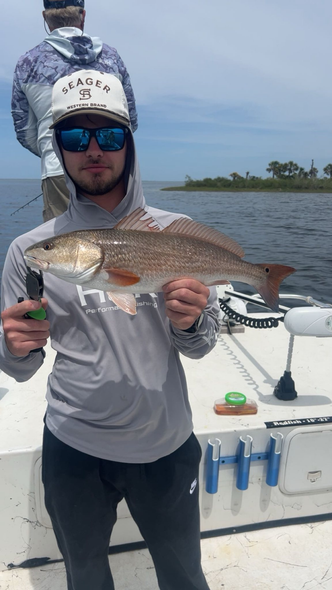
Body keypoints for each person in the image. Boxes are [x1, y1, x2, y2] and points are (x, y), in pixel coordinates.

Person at [1, 69, 220, 590]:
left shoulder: (176, 235)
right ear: (59, 147)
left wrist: (189, 320)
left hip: (165, 444)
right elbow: (21, 367)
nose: (93, 149)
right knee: (86, 577)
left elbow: (204, 343)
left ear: (129, 144)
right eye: (76, 136)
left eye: (109, 134)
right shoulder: (31, 250)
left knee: (185, 577)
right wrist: (13, 346)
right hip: (73, 448)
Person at [11, 0, 138, 223]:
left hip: (57, 167)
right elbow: (130, 120)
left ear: (45, 17)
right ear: (83, 16)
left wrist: (64, 150)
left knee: (63, 253)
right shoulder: (112, 58)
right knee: (123, 250)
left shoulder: (27, 63)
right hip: (113, 167)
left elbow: (24, 131)